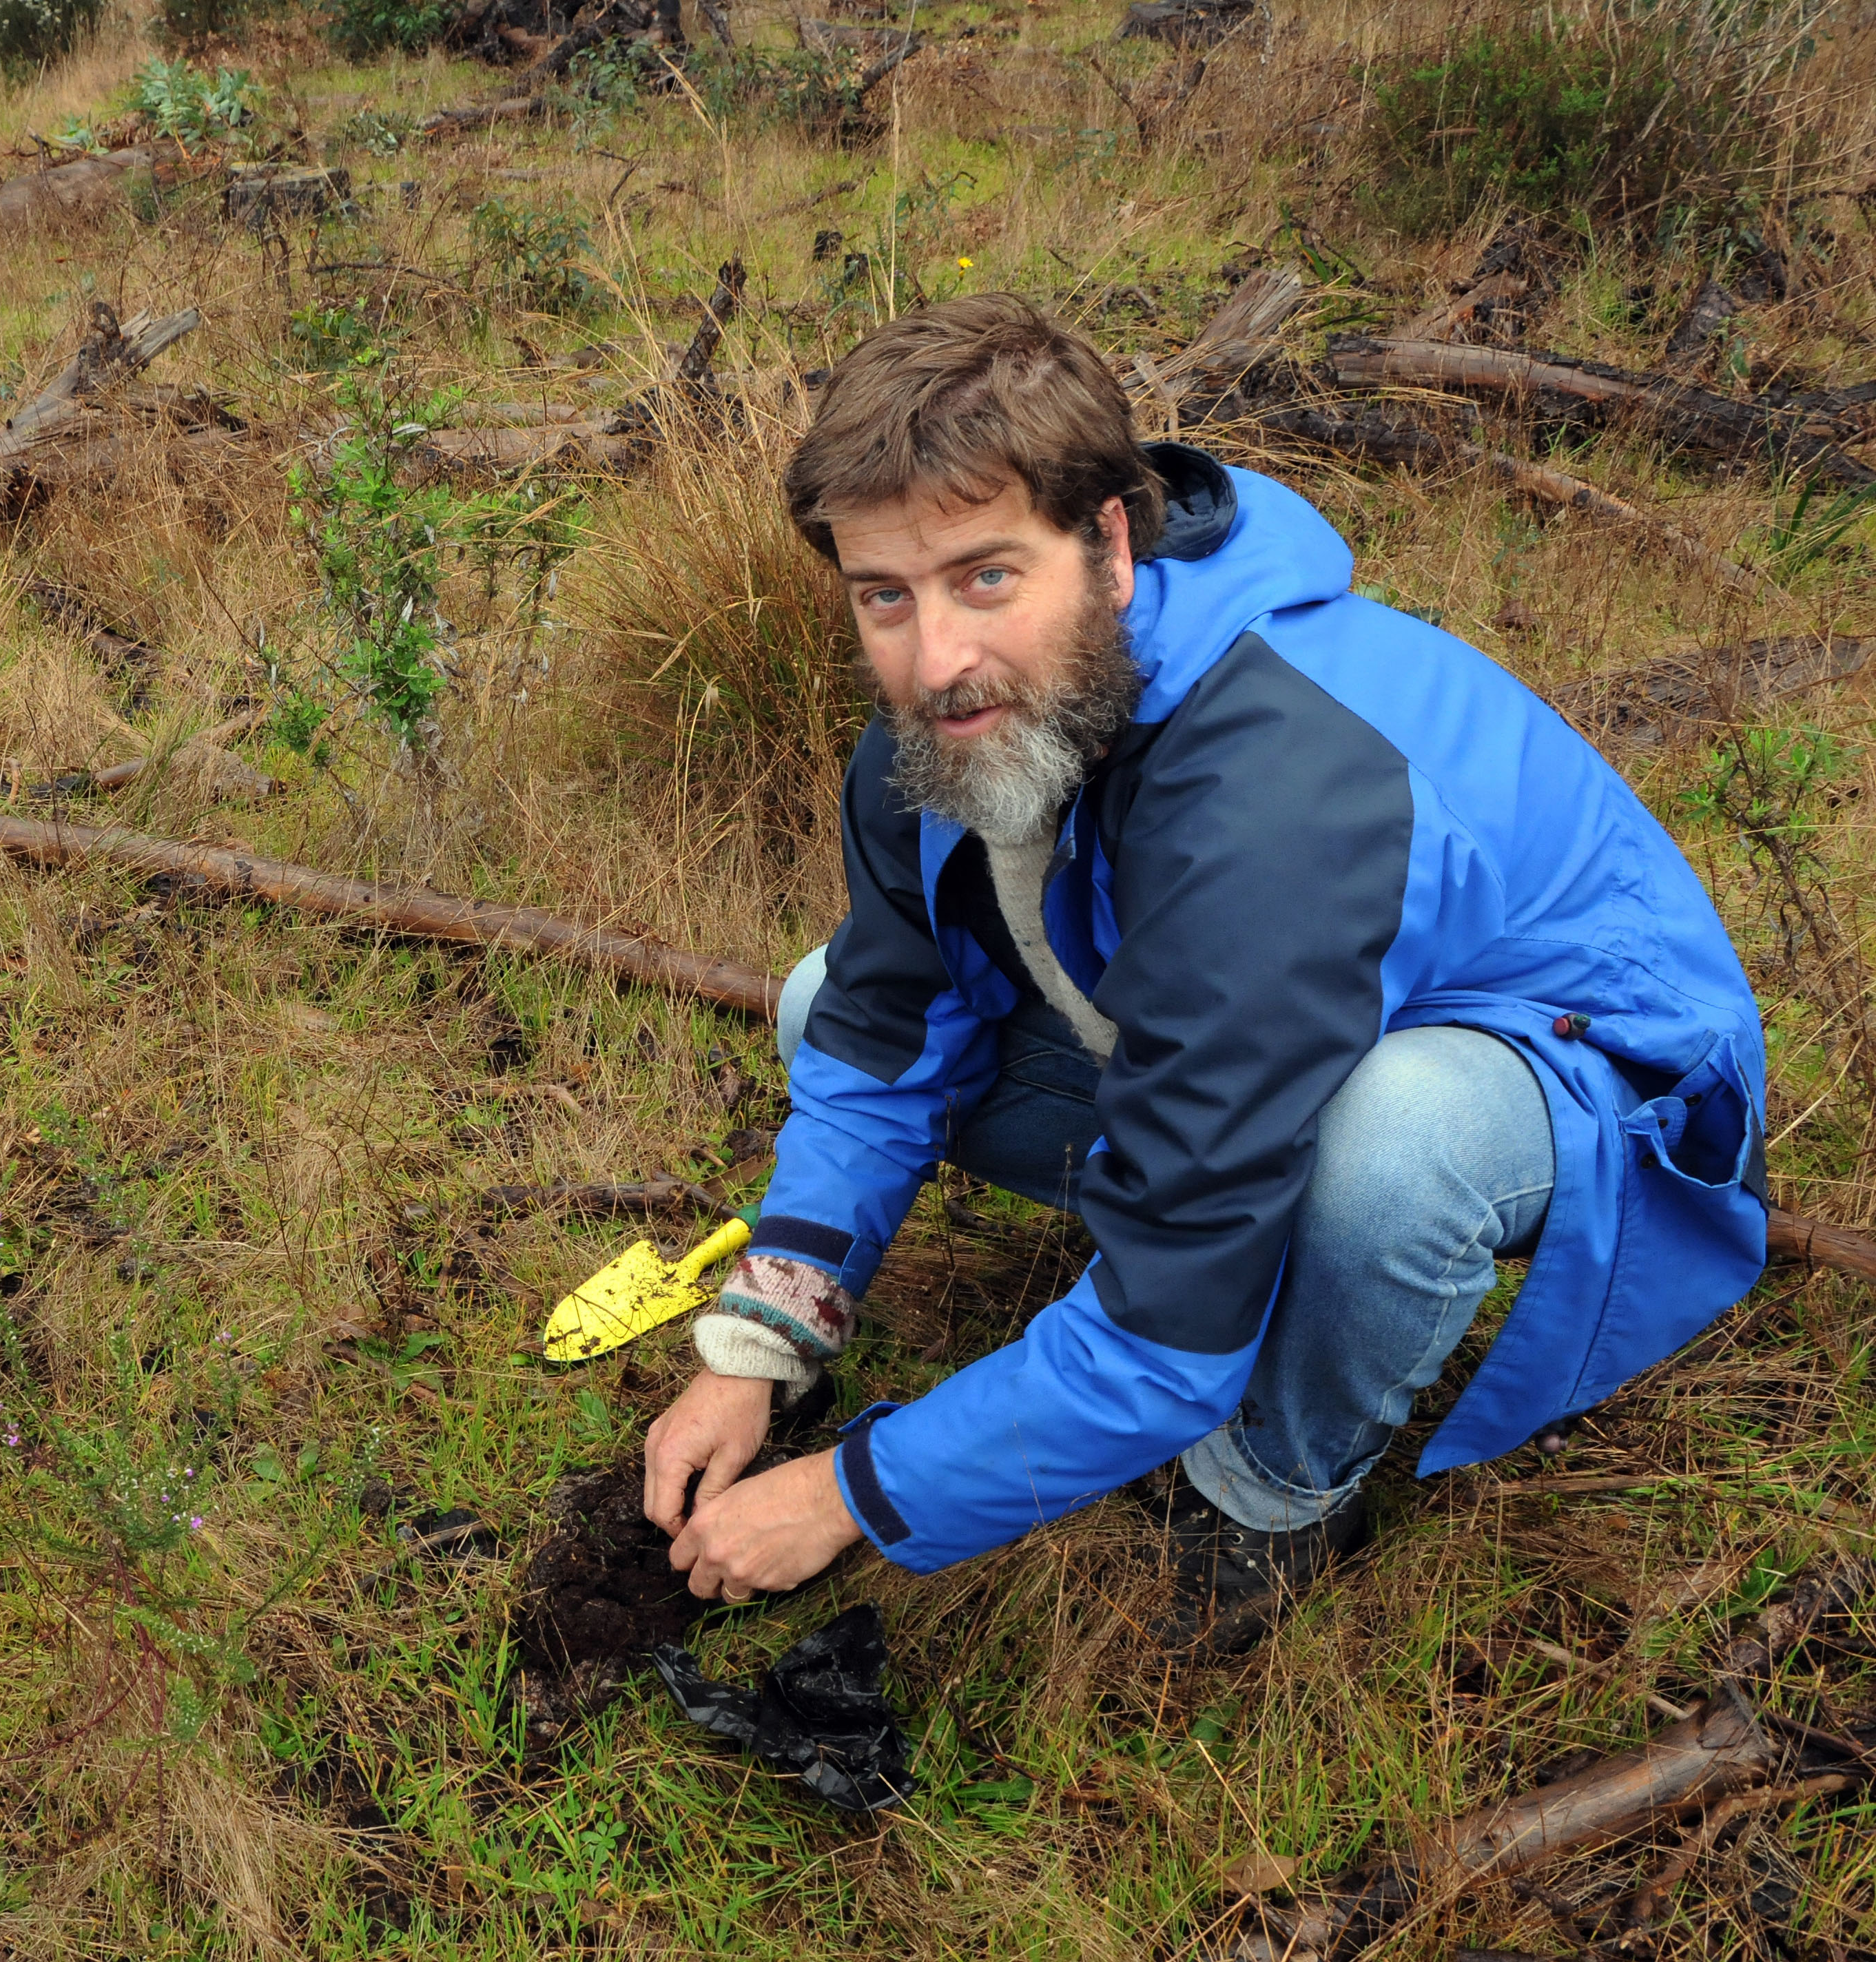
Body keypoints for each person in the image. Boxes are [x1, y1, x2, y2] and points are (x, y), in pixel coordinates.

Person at [646, 295, 1769, 1655]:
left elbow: (1164, 1345)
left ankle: (1271, 1493)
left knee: (1384, 1148)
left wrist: (847, 1494)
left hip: (1574, 1066)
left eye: (985, 576)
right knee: (816, 999)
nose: (933, 660)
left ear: (1107, 543)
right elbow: (885, 1031)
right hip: (1285, 1021)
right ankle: (1218, 1214)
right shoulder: (938, 739)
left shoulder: (1269, 796)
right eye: (884, 594)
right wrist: (752, 1349)